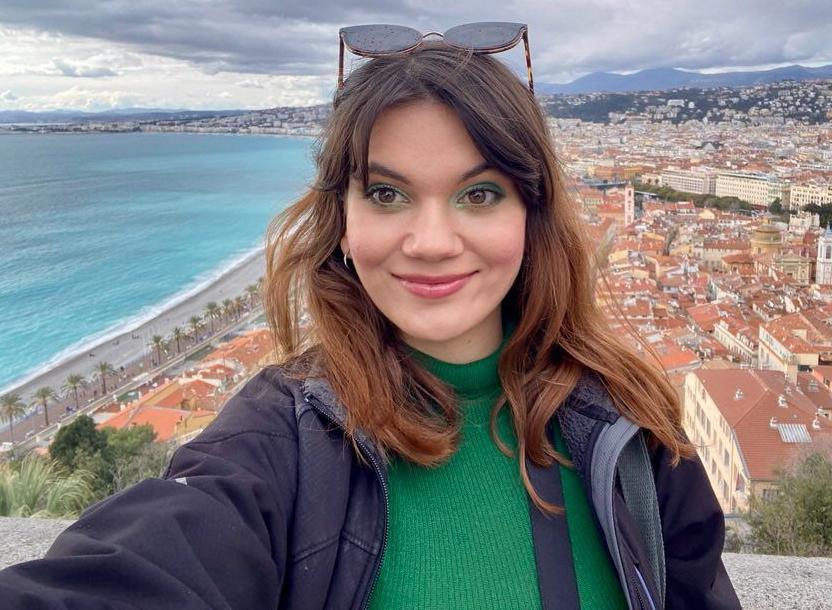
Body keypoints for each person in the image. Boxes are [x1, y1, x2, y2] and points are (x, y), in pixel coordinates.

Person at [0, 23, 739, 610]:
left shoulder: (631, 434)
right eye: (385, 194)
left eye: (478, 195)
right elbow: (144, 566)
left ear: (531, 215)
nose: (429, 243)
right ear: (343, 225)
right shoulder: (276, 439)